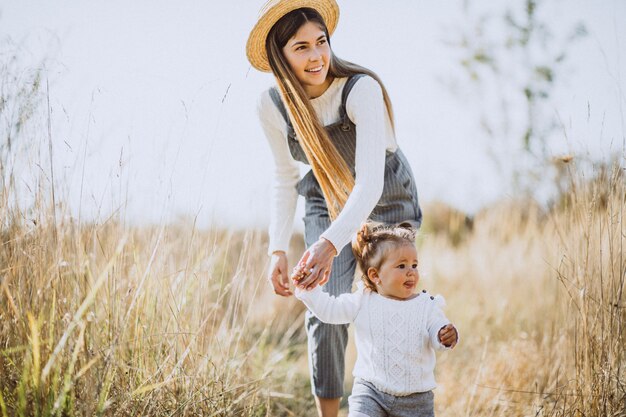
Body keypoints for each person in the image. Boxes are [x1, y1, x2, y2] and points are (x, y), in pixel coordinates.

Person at [246, 1, 422, 415]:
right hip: (324, 199)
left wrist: (328, 246)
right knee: (324, 310)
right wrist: (277, 250)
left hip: (386, 200)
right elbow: (284, 177)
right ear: (280, 55)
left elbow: (369, 183)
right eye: (301, 47)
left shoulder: (360, 89)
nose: (316, 57)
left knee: (389, 308)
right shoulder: (272, 105)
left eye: (321, 42)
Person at [294, 222, 458, 417]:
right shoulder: (362, 301)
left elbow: (437, 329)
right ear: (375, 275)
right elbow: (330, 310)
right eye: (401, 265)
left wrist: (444, 335)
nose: (411, 271)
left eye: (414, 265)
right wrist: (309, 289)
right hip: (370, 392)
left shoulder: (426, 305)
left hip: (416, 400)